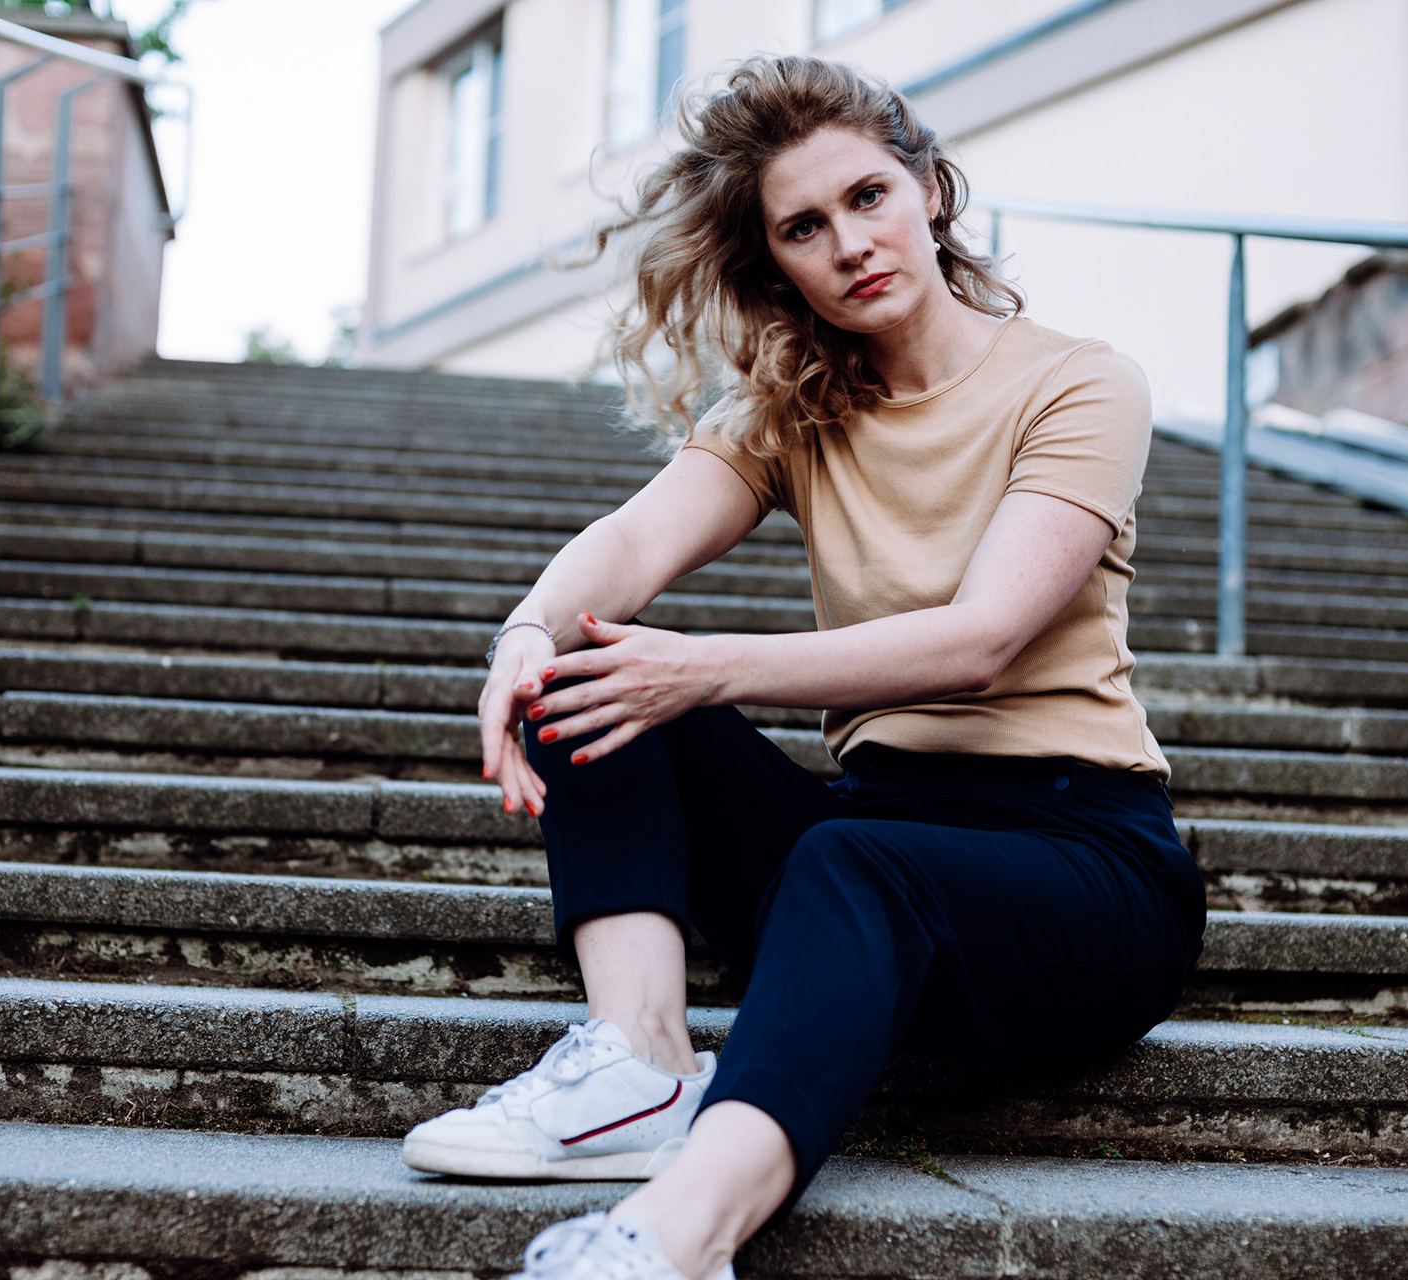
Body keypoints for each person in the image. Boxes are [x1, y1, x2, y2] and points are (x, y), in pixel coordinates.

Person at [400, 55, 1206, 1280]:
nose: (850, 243)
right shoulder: (795, 405)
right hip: (874, 836)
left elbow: (983, 637)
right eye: (805, 227)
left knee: (847, 850)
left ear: (932, 190)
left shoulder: (1078, 382)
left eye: (869, 196)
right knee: (584, 674)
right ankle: (638, 1061)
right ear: (777, 261)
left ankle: (673, 1238)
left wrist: (710, 666)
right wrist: (525, 633)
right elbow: (631, 545)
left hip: (1080, 866)